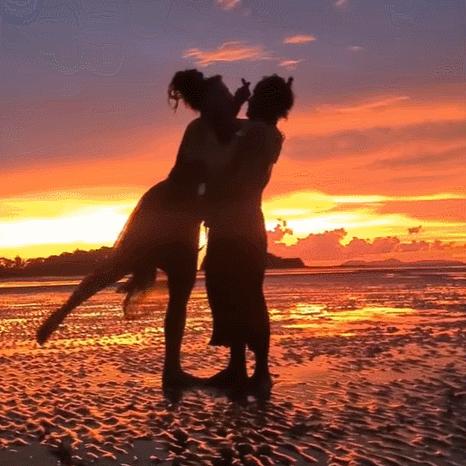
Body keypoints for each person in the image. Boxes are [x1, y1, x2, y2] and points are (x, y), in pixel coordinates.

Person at [36, 69, 250, 388]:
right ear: (209, 101)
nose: (228, 95)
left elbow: (225, 124)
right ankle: (62, 312)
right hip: (166, 211)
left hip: (184, 217)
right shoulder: (201, 129)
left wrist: (240, 104)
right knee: (119, 266)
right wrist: (246, 113)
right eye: (223, 92)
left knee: (176, 293)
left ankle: (172, 370)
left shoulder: (214, 124)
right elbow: (221, 135)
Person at [204, 75, 295, 395]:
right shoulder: (270, 134)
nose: (251, 100)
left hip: (236, 225)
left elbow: (220, 130)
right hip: (243, 223)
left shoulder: (256, 132)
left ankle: (256, 372)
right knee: (240, 296)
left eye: (255, 95)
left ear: (264, 102)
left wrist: (237, 99)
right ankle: (243, 369)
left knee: (241, 296)